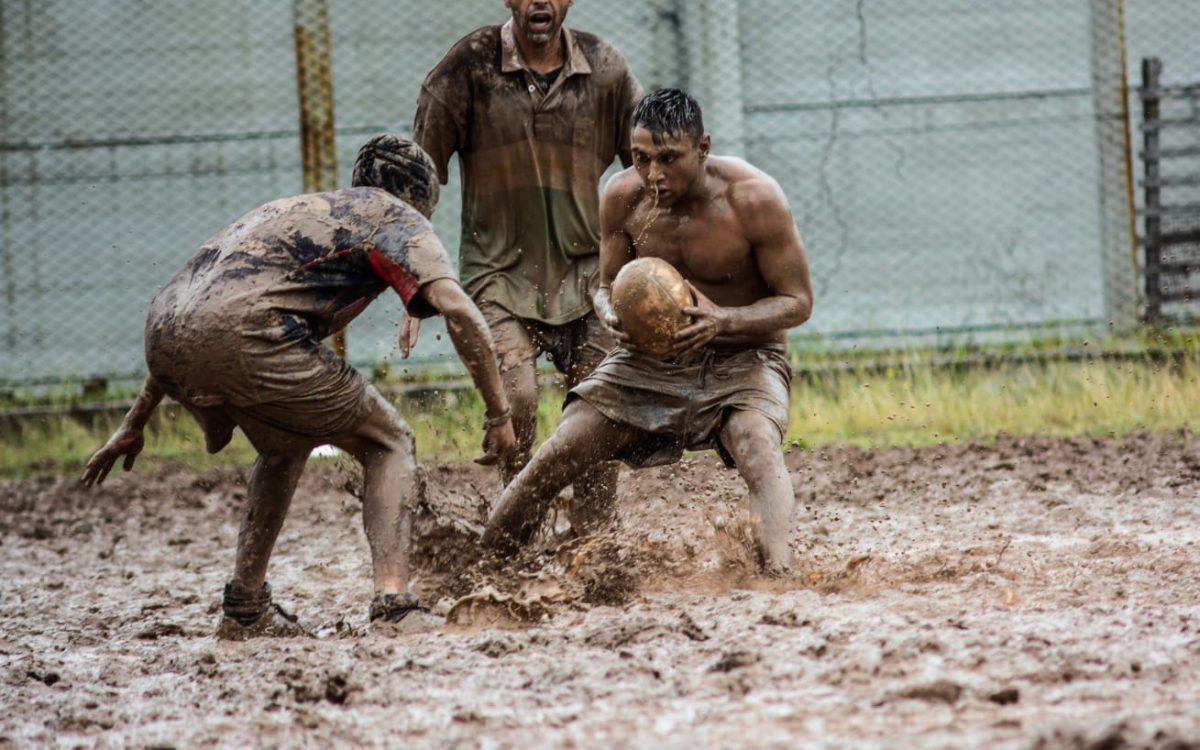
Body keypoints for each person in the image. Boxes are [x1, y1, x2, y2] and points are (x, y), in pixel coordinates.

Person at [82, 135, 516, 637]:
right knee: (389, 441)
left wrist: (133, 423)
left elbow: (197, 316)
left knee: (285, 443)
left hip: (164, 332)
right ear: (421, 197)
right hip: (249, 334)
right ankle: (395, 607)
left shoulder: (299, 209)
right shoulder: (398, 215)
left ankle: (245, 607)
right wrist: (498, 414)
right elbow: (461, 310)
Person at [482, 89, 814, 574]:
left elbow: (798, 303)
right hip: (646, 362)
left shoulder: (754, 199)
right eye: (641, 158)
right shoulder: (622, 196)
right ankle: (485, 566)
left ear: (703, 147)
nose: (654, 174)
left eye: (668, 159)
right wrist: (611, 312)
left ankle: (778, 574)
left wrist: (724, 320)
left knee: (756, 446)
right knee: (561, 450)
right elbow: (603, 286)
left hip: (745, 355)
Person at [410, 0, 643, 535]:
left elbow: (649, 168)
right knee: (517, 402)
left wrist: (652, 264)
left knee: (597, 413)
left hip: (590, 275)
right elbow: (418, 178)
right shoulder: (466, 68)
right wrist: (411, 275)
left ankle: (594, 539)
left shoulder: (606, 68)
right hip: (497, 274)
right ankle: (519, 529)